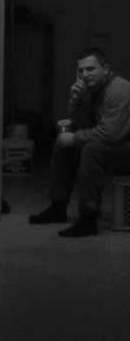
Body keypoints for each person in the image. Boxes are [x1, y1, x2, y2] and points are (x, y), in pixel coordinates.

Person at [28, 47, 130, 237]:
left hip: (125, 148)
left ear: (106, 69)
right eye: (81, 70)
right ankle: (57, 207)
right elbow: (82, 125)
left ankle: (88, 219)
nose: (85, 75)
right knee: (64, 146)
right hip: (115, 147)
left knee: (91, 149)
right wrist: (75, 101)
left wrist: (74, 138)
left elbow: (110, 134)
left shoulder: (120, 90)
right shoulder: (90, 90)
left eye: (91, 69)